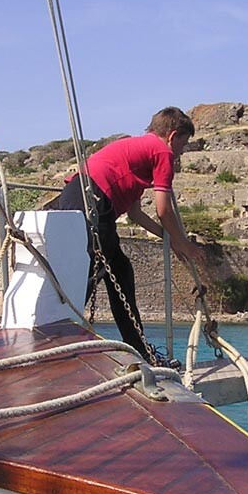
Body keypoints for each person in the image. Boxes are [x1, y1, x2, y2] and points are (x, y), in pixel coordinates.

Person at [54, 106, 207, 364]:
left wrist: (169, 241)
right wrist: (185, 246)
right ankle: (61, 338)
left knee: (117, 270)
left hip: (77, 194)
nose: (182, 150)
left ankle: (134, 347)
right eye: (184, 142)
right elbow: (163, 209)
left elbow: (135, 213)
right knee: (102, 270)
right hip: (94, 200)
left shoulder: (137, 150)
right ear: (172, 136)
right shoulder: (162, 152)